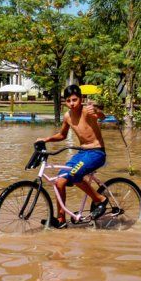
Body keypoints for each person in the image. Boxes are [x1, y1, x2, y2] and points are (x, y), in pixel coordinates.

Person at [36, 84, 109, 228]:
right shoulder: (67, 116)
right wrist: (46, 139)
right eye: (68, 100)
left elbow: (102, 116)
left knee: (74, 174)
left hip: (96, 152)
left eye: (74, 100)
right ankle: (61, 219)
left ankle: (100, 199)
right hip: (82, 153)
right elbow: (62, 135)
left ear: (81, 99)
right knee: (59, 182)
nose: (71, 104)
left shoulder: (87, 111)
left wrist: (96, 110)